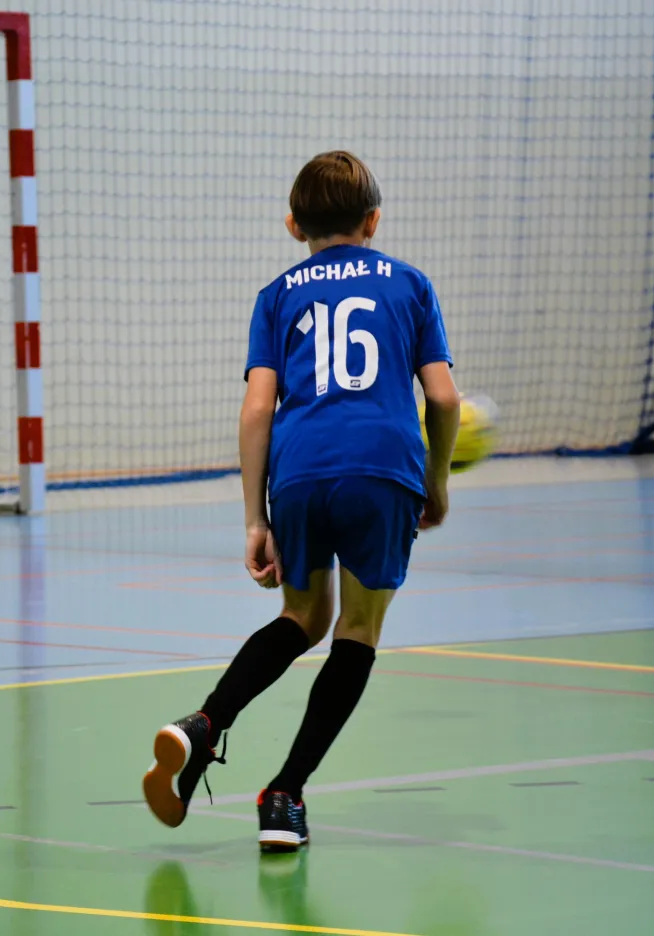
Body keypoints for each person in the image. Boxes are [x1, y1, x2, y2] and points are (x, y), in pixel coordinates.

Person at [142, 151, 460, 851]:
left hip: (298, 471)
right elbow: (442, 398)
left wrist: (255, 516)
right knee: (356, 629)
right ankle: (285, 793)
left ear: (293, 225)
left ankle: (205, 724)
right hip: (383, 470)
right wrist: (436, 483)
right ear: (374, 221)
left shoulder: (277, 295)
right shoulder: (410, 283)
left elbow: (258, 409)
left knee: (302, 616)